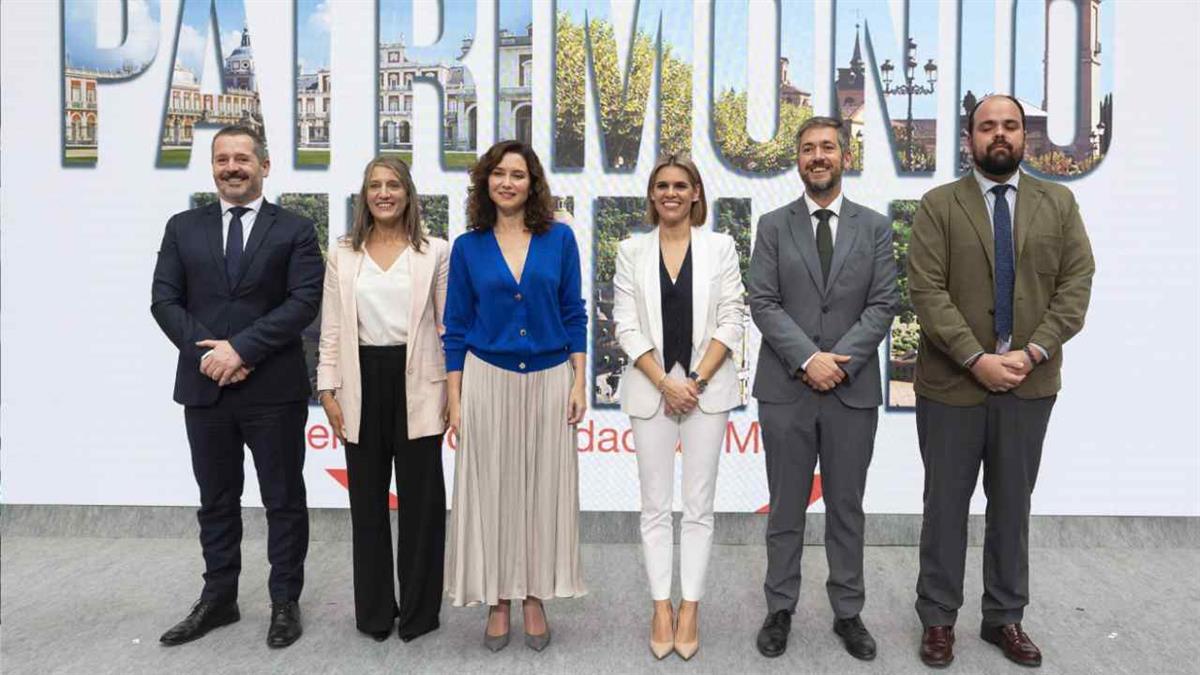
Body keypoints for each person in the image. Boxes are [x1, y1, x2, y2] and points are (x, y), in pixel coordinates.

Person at [908, 94, 1094, 668]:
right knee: (945, 507)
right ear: (970, 139)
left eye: (1009, 126)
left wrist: (1033, 351)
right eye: (987, 126)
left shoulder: (1059, 204)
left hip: (1029, 384)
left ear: (1024, 137)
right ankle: (939, 619)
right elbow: (926, 291)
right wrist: (976, 358)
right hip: (952, 386)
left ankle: (1004, 618)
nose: (999, 135)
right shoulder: (938, 204)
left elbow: (1076, 283)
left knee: (1012, 506)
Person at [151, 125, 323, 648]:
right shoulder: (182, 227)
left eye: (242, 158)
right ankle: (219, 598)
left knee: (283, 499)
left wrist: (241, 350)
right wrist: (212, 356)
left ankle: (283, 601)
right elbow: (164, 301)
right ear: (212, 167)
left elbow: (302, 303)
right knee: (216, 499)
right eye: (222, 159)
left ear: (264, 166)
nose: (232, 167)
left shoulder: (295, 228)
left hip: (273, 388)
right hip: (206, 390)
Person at [748, 117, 899, 661]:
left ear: (845, 156)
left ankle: (848, 612)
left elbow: (883, 303)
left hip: (850, 390)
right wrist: (808, 359)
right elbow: (762, 301)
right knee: (786, 506)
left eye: (828, 148)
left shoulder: (875, 227)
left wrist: (840, 362)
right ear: (798, 159)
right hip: (787, 390)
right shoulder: (771, 225)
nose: (818, 156)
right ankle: (780, 607)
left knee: (846, 506)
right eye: (808, 148)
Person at [442, 140, 588, 652]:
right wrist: (455, 401)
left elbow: (575, 312)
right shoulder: (467, 246)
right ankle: (497, 598)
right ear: (486, 182)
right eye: (499, 173)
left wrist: (578, 379)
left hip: (550, 378)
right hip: (487, 378)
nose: (508, 182)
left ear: (534, 184)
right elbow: (455, 326)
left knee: (542, 491)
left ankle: (533, 594)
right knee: (492, 492)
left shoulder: (560, 240)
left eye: (519, 175)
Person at [612, 154, 746, 660]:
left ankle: (689, 606)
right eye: (661, 185)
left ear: (696, 194)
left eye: (680, 185)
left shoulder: (722, 246)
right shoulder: (631, 250)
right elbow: (625, 324)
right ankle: (659, 605)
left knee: (697, 507)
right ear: (651, 195)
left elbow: (732, 318)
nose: (670, 192)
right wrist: (665, 384)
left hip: (706, 392)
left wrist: (694, 380)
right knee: (653, 506)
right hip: (651, 393)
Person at [316, 157, 450, 642]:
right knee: (367, 505)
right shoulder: (344, 254)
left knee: (423, 506)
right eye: (374, 185)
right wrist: (327, 389)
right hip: (361, 382)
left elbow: (447, 328)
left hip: (420, 384)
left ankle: (419, 613)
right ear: (364, 195)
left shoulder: (435, 251)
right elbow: (331, 329)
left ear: (408, 193)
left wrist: (454, 391)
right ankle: (374, 613)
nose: (384, 193)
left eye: (393, 184)